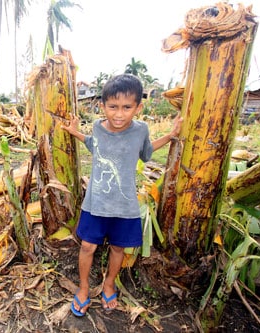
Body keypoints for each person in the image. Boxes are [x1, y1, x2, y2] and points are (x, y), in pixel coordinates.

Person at [61, 74, 182, 316]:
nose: (119, 114)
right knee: (87, 246)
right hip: (96, 204)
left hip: (125, 205)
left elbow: (146, 153)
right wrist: (75, 133)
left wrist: (170, 135)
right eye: (112, 107)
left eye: (127, 107)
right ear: (102, 105)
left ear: (139, 107)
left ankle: (108, 284)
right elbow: (94, 145)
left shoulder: (141, 130)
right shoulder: (97, 126)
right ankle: (84, 288)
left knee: (118, 249)